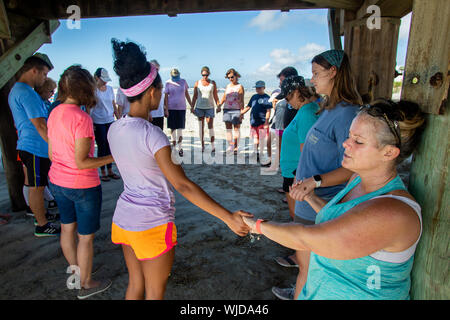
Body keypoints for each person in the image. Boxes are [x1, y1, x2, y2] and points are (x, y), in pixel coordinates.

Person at [108, 39, 252, 300]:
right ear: (152, 92)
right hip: (151, 223)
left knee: (135, 286)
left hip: (124, 219)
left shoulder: (114, 128)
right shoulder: (154, 136)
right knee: (155, 292)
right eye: (160, 89)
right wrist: (228, 217)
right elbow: (182, 184)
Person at [244, 99, 426, 300]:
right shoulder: (357, 179)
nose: (345, 144)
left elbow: (309, 238)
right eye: (349, 136)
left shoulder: (394, 213)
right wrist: (312, 198)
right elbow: (343, 222)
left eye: (358, 141)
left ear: (389, 153)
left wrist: (256, 225)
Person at [271, 49, 362, 300]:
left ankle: (301, 294)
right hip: (308, 199)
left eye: (316, 73)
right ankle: (301, 291)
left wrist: (315, 181)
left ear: (334, 72)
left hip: (322, 203)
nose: (312, 80)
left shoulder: (347, 113)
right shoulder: (326, 108)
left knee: (309, 266)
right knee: (306, 265)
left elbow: (354, 167)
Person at [47, 65, 114, 299]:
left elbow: (51, 154)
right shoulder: (82, 117)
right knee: (85, 237)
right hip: (82, 186)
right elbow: (83, 163)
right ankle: (86, 283)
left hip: (57, 180)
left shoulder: (54, 112)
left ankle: (76, 271)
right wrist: (114, 156)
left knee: (67, 228)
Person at [8, 52, 60, 237]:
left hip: (28, 146)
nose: (44, 78)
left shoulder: (18, 90)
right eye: (44, 74)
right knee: (37, 188)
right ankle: (42, 225)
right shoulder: (26, 92)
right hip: (35, 147)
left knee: (34, 186)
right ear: (34, 71)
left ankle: (41, 215)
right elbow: (40, 124)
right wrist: (56, 148)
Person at [276, 75, 319, 221]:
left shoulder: (307, 112)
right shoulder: (305, 110)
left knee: (298, 217)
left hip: (296, 173)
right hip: (293, 171)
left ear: (296, 92)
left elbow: (307, 150)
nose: (287, 101)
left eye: (288, 97)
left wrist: (297, 176)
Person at [90, 67, 120, 181]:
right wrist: (90, 123)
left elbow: (113, 105)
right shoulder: (93, 90)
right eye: (103, 79)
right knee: (102, 147)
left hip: (110, 120)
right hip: (98, 121)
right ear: (97, 78)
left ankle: (110, 170)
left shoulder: (110, 89)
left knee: (111, 146)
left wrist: (119, 119)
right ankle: (102, 172)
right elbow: (89, 107)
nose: (105, 81)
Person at [270, 67, 299, 179]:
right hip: (284, 132)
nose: (280, 84)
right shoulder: (287, 100)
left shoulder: (299, 104)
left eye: (282, 81)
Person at [241, 80, 272, 165]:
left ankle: (261, 154)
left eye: (259, 88)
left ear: (264, 88)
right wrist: (241, 113)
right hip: (253, 122)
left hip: (262, 122)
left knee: (262, 139)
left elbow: (268, 110)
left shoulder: (267, 98)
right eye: (256, 88)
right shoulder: (254, 97)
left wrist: (266, 121)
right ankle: (255, 153)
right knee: (255, 139)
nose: (257, 89)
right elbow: (248, 107)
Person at [191, 66, 220, 152]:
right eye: (203, 75)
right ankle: (202, 145)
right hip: (199, 107)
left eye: (206, 75)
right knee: (201, 127)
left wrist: (218, 105)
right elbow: (195, 96)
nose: (205, 76)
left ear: (209, 74)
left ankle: (212, 145)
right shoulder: (197, 83)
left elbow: (215, 96)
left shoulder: (212, 83)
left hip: (210, 108)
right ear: (201, 74)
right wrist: (192, 106)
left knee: (210, 126)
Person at [164, 68, 192, 157]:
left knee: (180, 129)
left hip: (181, 108)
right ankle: (174, 147)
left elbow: (186, 94)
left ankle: (180, 148)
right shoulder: (168, 83)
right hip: (171, 108)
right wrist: (166, 109)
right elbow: (165, 97)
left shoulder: (183, 81)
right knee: (172, 129)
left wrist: (191, 105)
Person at [217, 68, 244, 154]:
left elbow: (241, 100)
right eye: (229, 77)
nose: (230, 79)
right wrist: (219, 105)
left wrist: (242, 112)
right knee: (228, 129)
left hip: (236, 110)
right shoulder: (228, 86)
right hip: (226, 109)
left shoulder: (240, 87)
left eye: (232, 77)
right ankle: (230, 146)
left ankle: (236, 147)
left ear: (236, 76)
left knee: (236, 129)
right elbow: (224, 97)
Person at [148, 60, 165, 131]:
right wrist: (148, 113)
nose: (156, 71)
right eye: (155, 69)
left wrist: (165, 109)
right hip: (150, 115)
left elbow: (162, 96)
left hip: (160, 113)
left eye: (157, 70)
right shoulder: (146, 81)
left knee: (160, 134)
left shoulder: (159, 81)